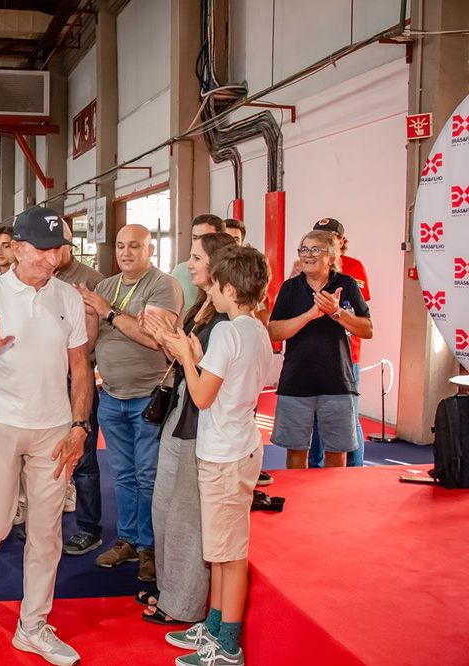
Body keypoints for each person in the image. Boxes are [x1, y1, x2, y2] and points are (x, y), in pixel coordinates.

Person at [0, 205, 91, 666]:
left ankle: (33, 626)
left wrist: (80, 425)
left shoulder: (67, 297)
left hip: (54, 429)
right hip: (0, 423)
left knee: (47, 534)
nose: (52, 258)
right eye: (43, 250)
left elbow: (80, 366)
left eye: (59, 249)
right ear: (18, 249)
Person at [159, 245, 275, 666]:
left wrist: (186, 358)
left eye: (214, 287)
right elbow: (226, 381)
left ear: (228, 289)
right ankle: (213, 626)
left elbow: (203, 396)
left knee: (229, 555)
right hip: (237, 444)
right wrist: (196, 357)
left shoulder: (228, 331)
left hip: (225, 452)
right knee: (221, 551)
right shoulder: (256, 330)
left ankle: (227, 644)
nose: (209, 293)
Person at [141, 232, 237, 626]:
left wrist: (181, 351)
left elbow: (210, 377)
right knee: (165, 508)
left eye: (196, 257)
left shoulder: (228, 321)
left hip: (200, 423)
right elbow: (190, 360)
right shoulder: (203, 307)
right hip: (181, 416)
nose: (190, 263)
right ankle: (170, 590)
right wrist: (166, 341)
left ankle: (183, 604)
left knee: (185, 517)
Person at [78, 225, 182, 581]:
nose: (125, 252)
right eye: (120, 245)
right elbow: (92, 340)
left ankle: (151, 546)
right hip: (111, 395)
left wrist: (108, 312)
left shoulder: (162, 285)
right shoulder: (106, 287)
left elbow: (155, 339)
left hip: (150, 396)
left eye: (134, 246)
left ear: (149, 250)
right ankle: (129, 540)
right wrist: (90, 317)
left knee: (148, 475)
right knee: (122, 474)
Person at [269, 230, 373, 469]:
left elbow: (367, 329)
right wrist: (309, 315)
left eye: (315, 249)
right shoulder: (290, 288)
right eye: (304, 249)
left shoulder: (347, 285)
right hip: (296, 382)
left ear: (331, 257)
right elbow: (273, 332)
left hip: (337, 383)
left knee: (337, 453)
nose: (308, 255)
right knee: (296, 452)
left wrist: (336, 312)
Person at [54, 224, 104, 555]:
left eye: (57, 244)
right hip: (45, 378)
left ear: (70, 244)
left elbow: (99, 333)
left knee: (83, 457)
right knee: (43, 454)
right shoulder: (38, 278)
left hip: (78, 376)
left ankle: (88, 528)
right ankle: (42, 522)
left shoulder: (92, 280)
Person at [308, 218, 371, 468]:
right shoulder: (304, 267)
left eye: (329, 237)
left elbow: (361, 316)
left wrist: (336, 311)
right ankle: (314, 470)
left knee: (348, 419)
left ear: (341, 241)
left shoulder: (354, 268)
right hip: (313, 356)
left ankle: (355, 471)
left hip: (346, 356)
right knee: (314, 419)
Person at [171, 215, 224, 315]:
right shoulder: (180, 271)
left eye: (206, 238)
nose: (199, 242)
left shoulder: (231, 281)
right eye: (195, 238)